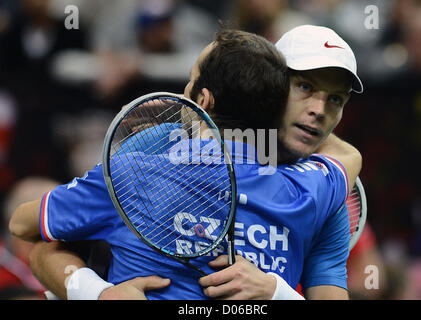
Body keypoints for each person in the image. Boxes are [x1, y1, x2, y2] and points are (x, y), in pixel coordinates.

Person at [10, 25, 363, 300]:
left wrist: (275, 291)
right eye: (304, 87)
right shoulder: (155, 144)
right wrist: (99, 292)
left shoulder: (324, 190)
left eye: (334, 99)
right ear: (274, 85)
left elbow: (26, 223)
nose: (318, 110)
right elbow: (49, 251)